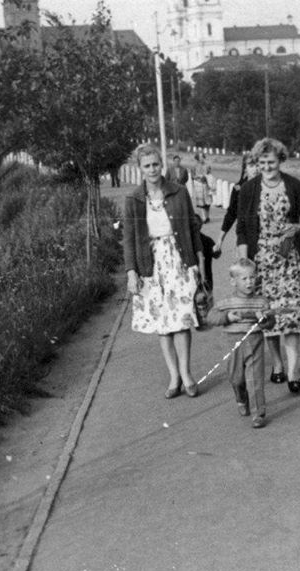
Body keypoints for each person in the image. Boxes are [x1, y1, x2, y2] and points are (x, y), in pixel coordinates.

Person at [122, 142, 207, 399]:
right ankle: (173, 376)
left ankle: (187, 373)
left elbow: (193, 229)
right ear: (140, 168)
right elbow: (128, 238)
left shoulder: (179, 192)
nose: (152, 170)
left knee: (181, 319)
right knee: (163, 324)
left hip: (178, 259)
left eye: (156, 164)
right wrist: (131, 272)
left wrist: (198, 262)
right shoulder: (134, 200)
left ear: (162, 165)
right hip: (150, 263)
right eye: (146, 166)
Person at [236, 137, 300, 394]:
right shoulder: (249, 189)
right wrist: (244, 262)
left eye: (271, 162)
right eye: (262, 162)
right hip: (262, 260)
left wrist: (298, 226)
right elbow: (242, 228)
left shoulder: (293, 185)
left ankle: (293, 372)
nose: (267, 167)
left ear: (280, 161)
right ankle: (278, 365)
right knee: (268, 315)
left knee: (292, 316)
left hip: (290, 258)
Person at [206, 258, 276, 429]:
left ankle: (258, 413)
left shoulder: (261, 301)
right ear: (233, 281)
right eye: (244, 279)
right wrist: (226, 317)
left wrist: (264, 319)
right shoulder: (226, 303)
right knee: (236, 377)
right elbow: (210, 317)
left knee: (255, 379)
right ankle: (240, 396)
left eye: (252, 277)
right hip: (233, 343)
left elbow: (271, 323)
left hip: (255, 342)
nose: (249, 282)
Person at [214, 154, 258, 257]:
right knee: (245, 270)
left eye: (258, 165)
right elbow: (231, 214)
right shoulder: (238, 189)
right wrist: (220, 239)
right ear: (245, 169)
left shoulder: (268, 188)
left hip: (266, 239)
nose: (256, 169)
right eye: (251, 166)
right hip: (244, 239)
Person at [191, 152, 213, 223]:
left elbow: (210, 175)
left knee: (208, 202)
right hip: (199, 185)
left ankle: (207, 216)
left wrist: (206, 177)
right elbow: (192, 176)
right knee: (201, 202)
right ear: (197, 158)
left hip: (206, 185)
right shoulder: (194, 166)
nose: (201, 159)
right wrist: (197, 177)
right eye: (200, 157)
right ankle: (204, 217)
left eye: (202, 157)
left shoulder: (207, 166)